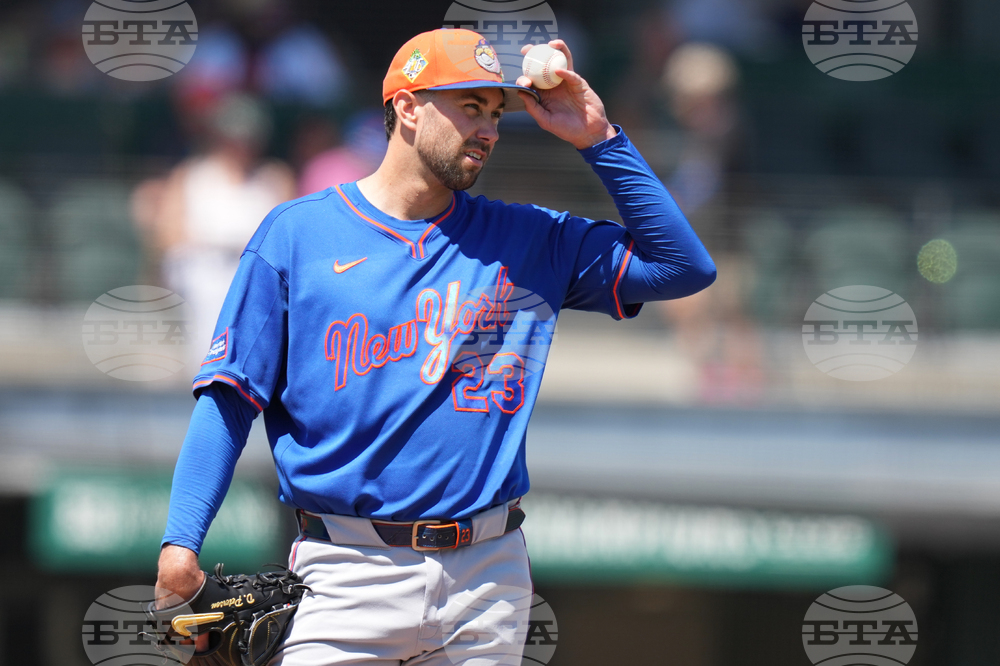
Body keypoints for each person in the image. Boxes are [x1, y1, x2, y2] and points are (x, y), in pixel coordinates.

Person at [155, 29, 716, 665]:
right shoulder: (298, 234)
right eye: (470, 107)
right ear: (409, 106)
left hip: (488, 579)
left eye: (496, 113)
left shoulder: (527, 238)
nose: (489, 129)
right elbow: (229, 398)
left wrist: (599, 138)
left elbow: (683, 267)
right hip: (343, 572)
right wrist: (181, 544)